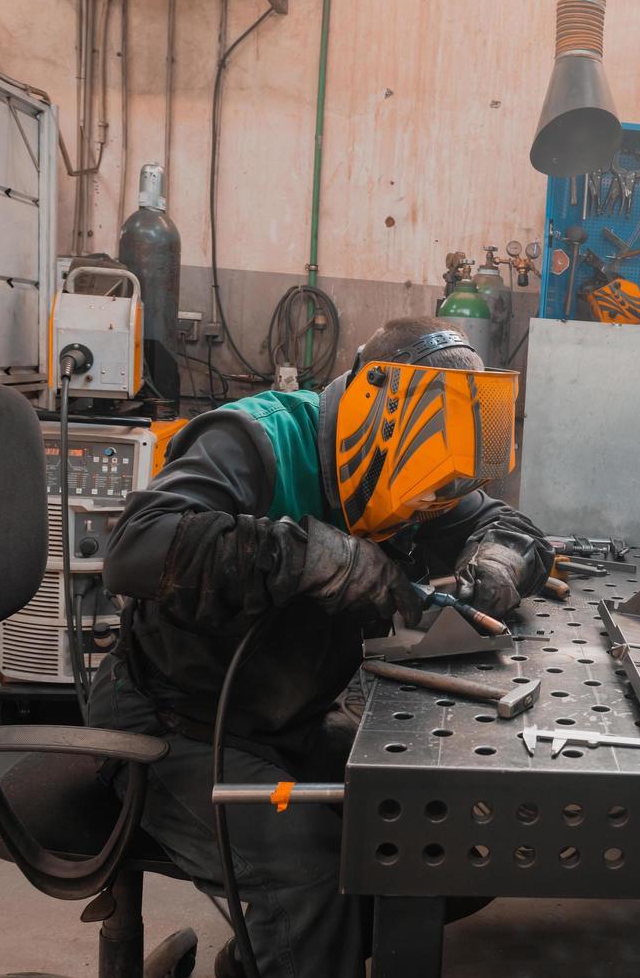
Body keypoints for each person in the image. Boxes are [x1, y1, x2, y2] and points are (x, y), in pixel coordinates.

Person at [87, 317, 552, 978]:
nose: (430, 509)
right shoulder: (256, 439)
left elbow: (503, 523)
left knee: (446, 841)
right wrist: (303, 555)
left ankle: (270, 959)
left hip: (290, 725)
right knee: (305, 869)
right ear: (383, 417)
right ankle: (295, 945)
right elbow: (135, 551)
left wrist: (503, 560)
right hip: (170, 727)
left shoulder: (416, 476)